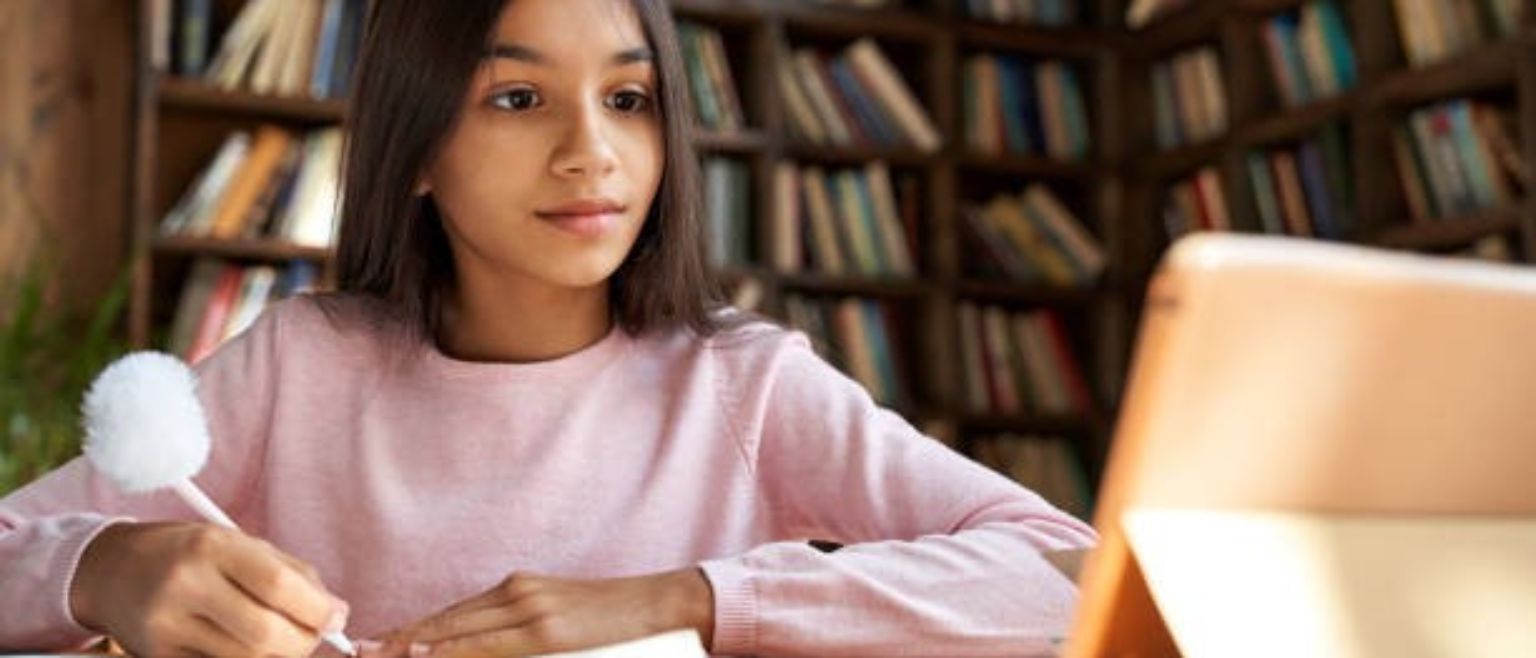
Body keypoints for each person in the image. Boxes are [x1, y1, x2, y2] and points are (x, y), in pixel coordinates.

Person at [0, 1, 1095, 655]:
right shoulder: (301, 360)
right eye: (517, 100)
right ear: (418, 149)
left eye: (629, 100)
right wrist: (105, 566)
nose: (593, 153)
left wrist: (689, 598)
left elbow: (1067, 574)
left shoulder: (739, 381)